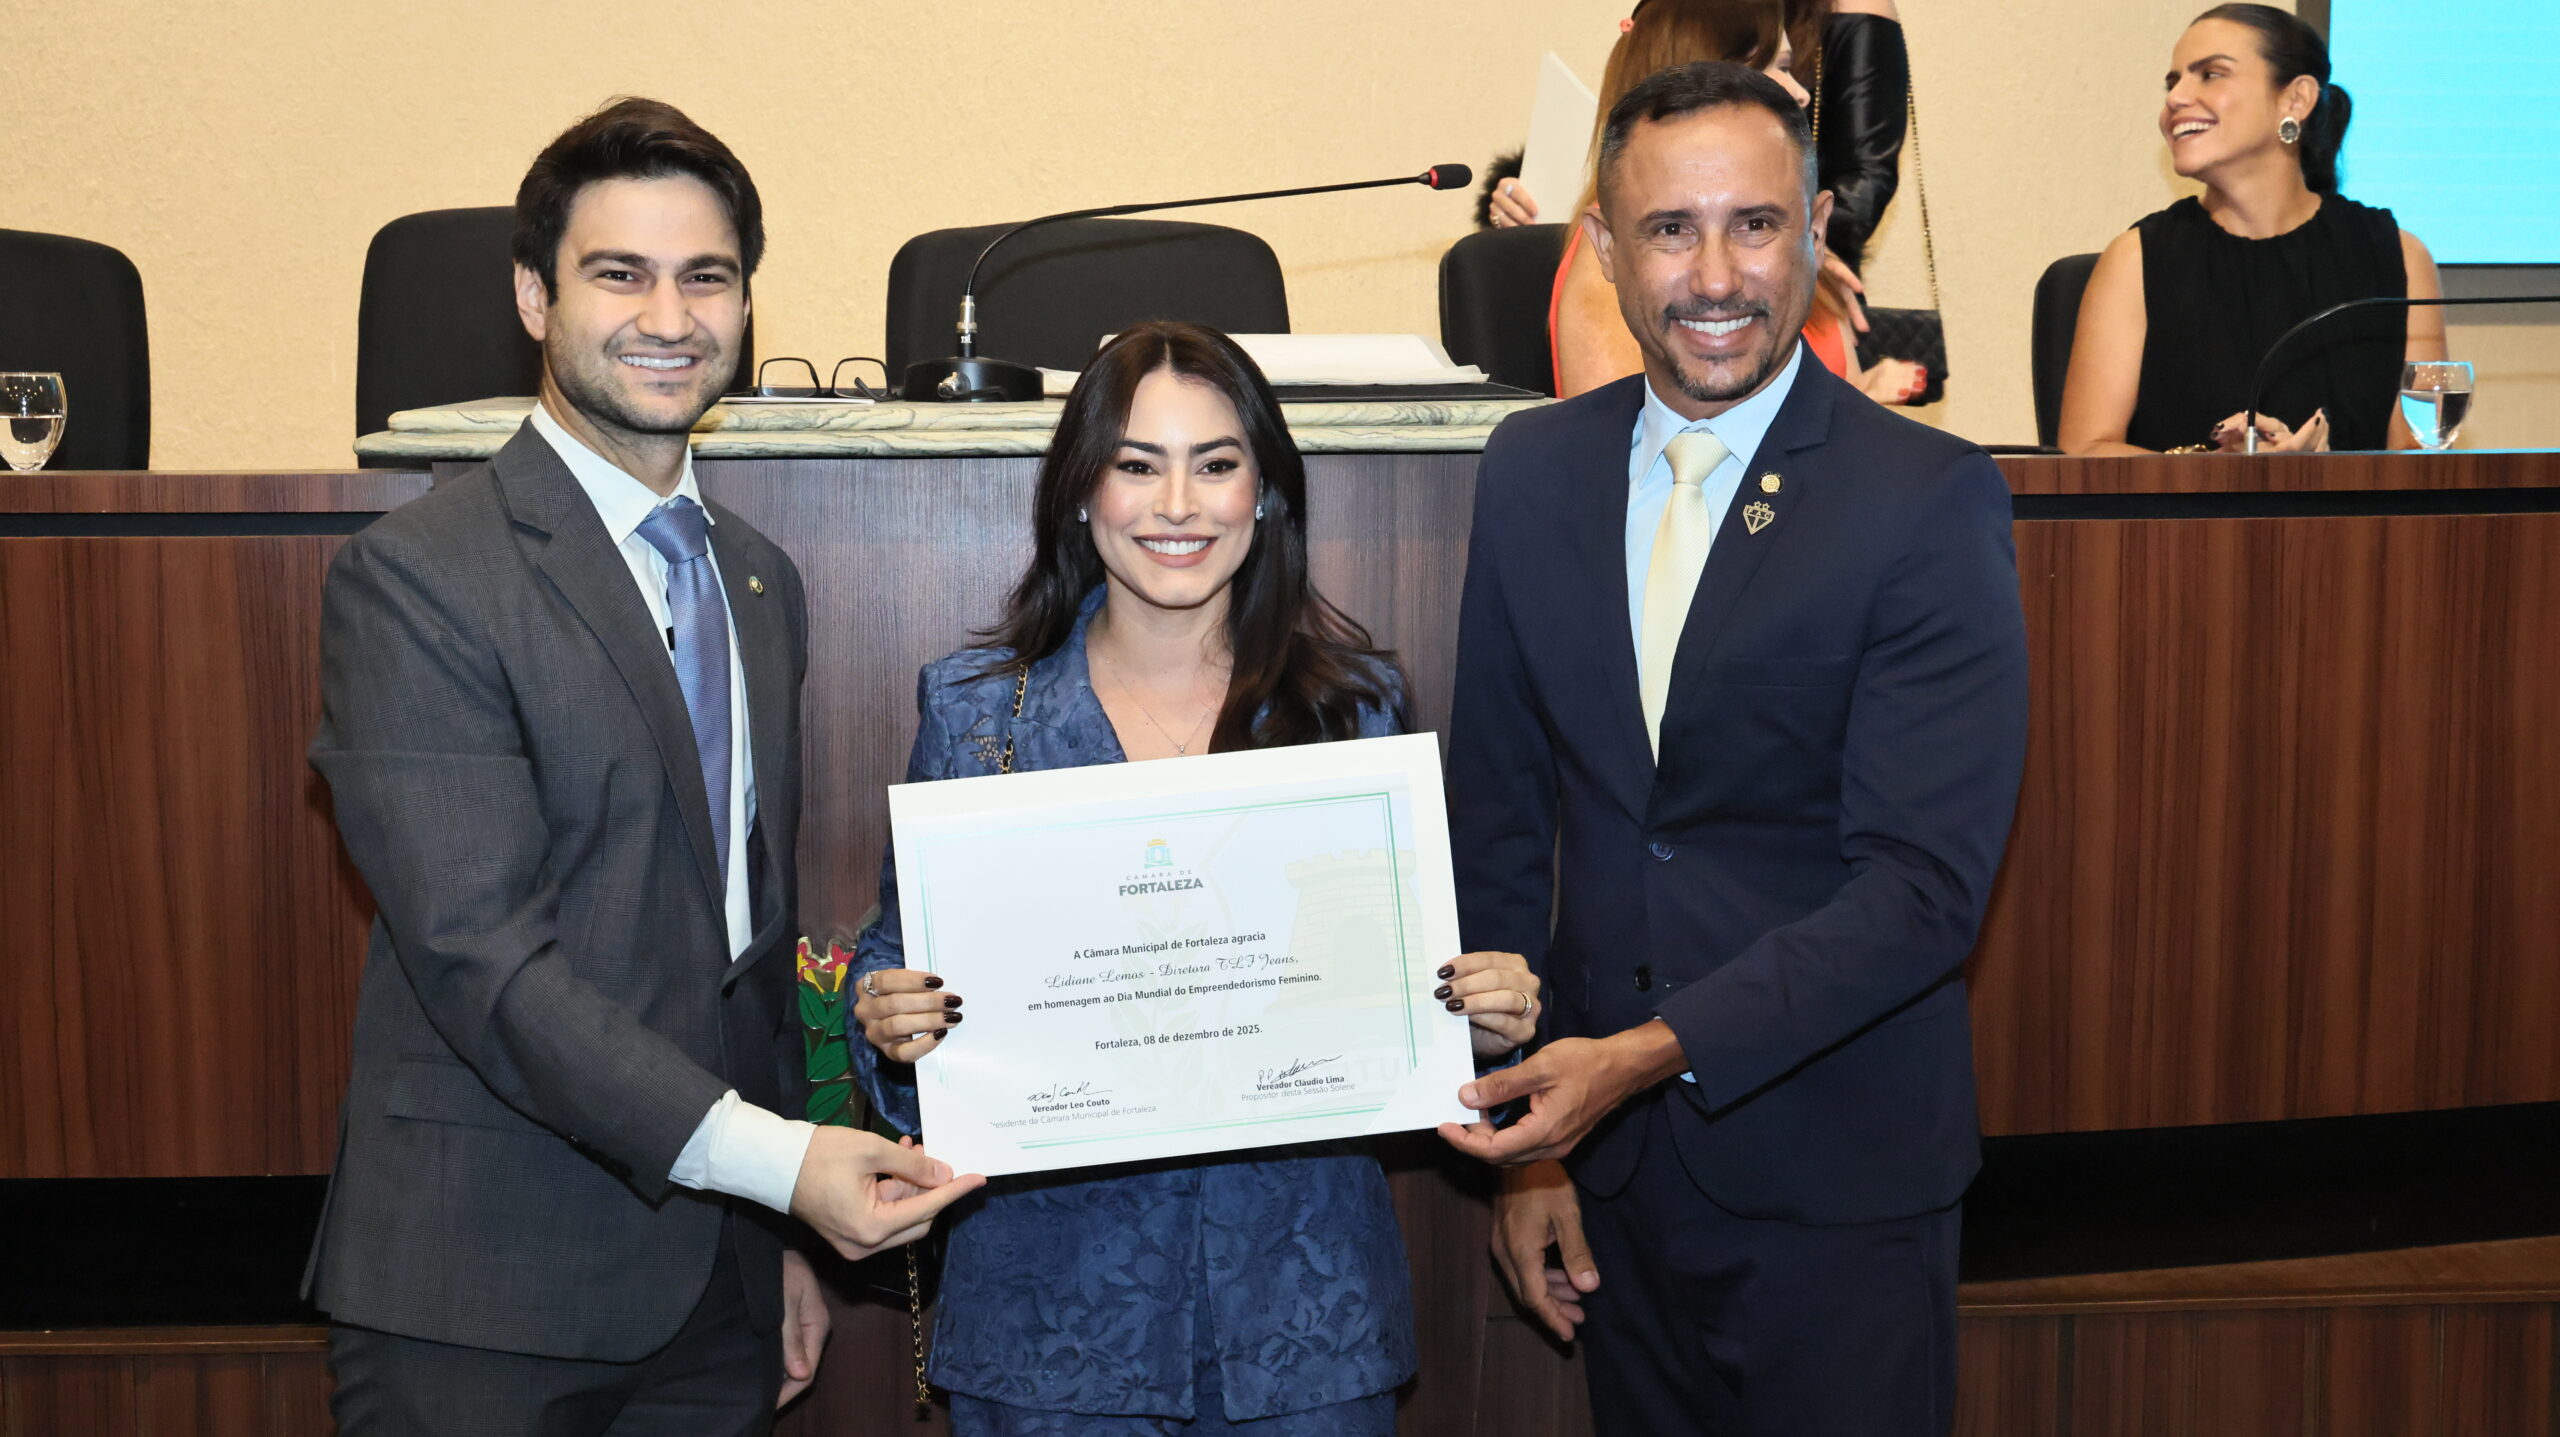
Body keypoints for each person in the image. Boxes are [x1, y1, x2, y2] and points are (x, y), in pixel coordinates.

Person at [307, 97, 980, 1436]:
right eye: (620, 274)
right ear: (534, 296)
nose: (669, 317)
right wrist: (783, 1168)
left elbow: (746, 949)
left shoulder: (759, 581)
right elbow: (485, 963)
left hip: (713, 1297)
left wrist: (772, 1239)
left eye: (706, 277)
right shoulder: (417, 579)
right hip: (485, 1294)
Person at [1442, 60, 2028, 1437]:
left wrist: (1640, 1055)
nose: (1716, 277)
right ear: (1601, 247)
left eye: (1755, 225)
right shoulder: (1531, 469)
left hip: (1840, 1178)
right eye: (1670, 230)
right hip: (1608, 1182)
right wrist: (1527, 1150)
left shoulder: (1927, 498)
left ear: (1815, 229)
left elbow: (1922, 890)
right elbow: (1500, 825)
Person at [844, 321, 1542, 1435]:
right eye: (1137, 464)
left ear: (1265, 494)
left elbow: (1394, 997)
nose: (1178, 504)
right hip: (1051, 1322)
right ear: (1082, 492)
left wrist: (1482, 1018)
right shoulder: (979, 715)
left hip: (1303, 1315)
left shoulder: (1351, 711)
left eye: (1216, 464)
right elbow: (895, 963)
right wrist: (888, 1019)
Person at [1486, 0, 1924, 406]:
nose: (1801, 93)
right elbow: (1627, 446)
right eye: (1781, 68)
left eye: (1756, 225)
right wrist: (1852, 409)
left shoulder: (1801, 246)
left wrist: (1857, 411)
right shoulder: (1620, 255)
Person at [2058, 3, 2446, 455]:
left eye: (2211, 74)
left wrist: (2324, 474)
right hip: (2189, 506)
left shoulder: (2397, 255)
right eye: (2173, 81)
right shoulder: (2137, 258)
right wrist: (2214, 473)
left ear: (2295, 100)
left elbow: (2420, 461)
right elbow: (2085, 451)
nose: (2175, 98)